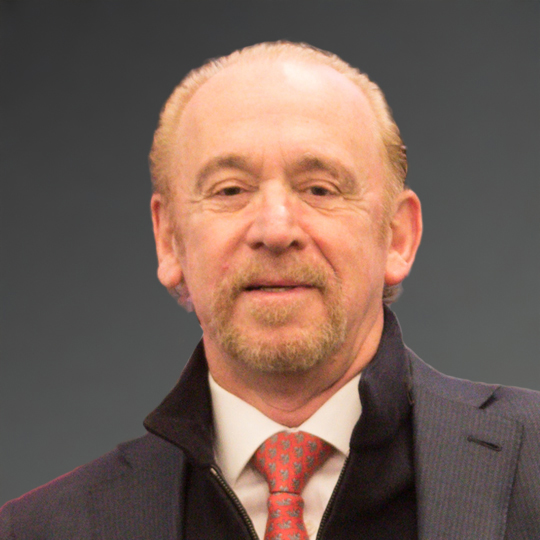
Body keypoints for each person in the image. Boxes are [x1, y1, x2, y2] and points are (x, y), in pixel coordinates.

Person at [1, 41, 539, 540]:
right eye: (230, 190)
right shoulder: (37, 531)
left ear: (397, 237)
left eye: (320, 189)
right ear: (169, 241)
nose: (276, 229)